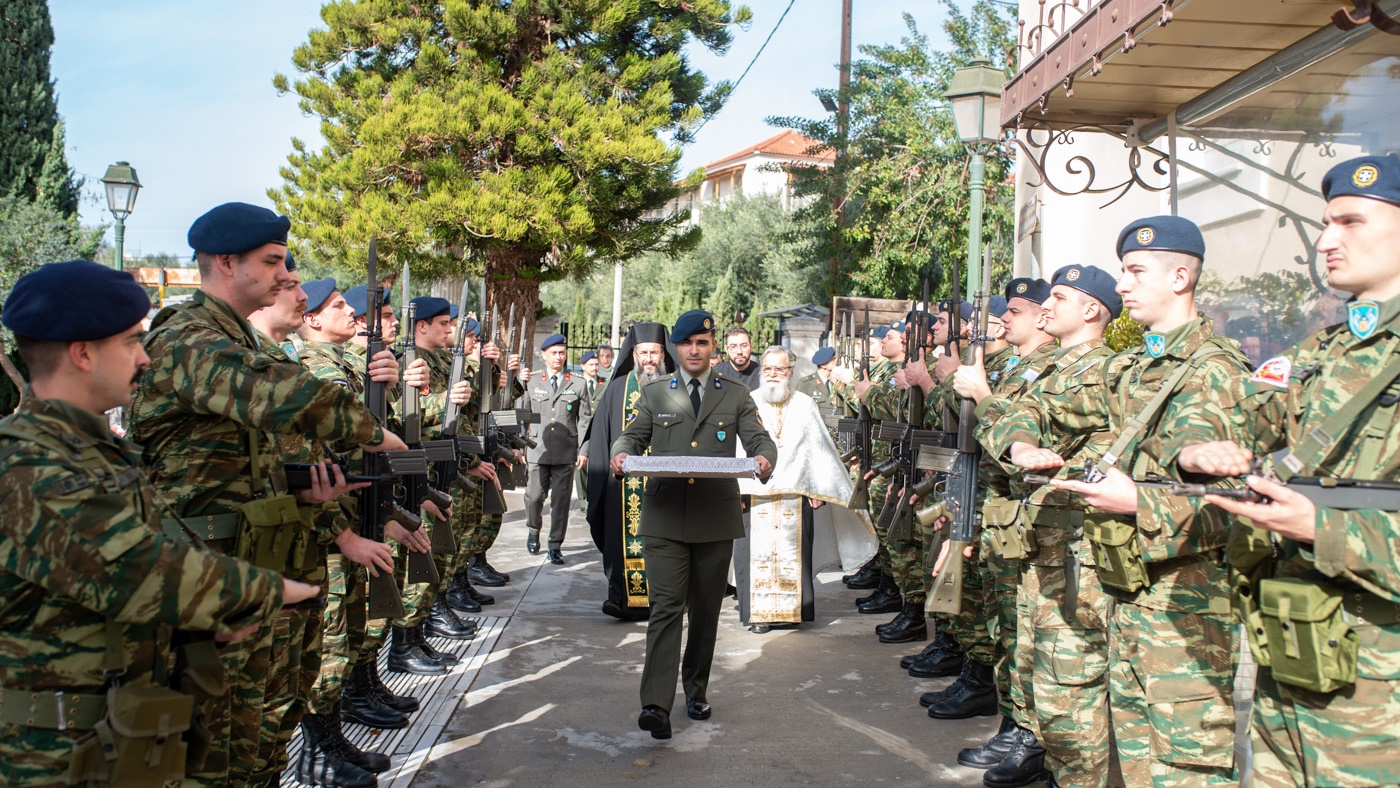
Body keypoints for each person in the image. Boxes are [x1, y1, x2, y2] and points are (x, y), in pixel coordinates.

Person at [0, 260, 317, 787]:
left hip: (117, 735)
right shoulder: (31, 465)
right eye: (131, 342)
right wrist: (265, 591)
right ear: (83, 354)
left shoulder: (94, 453)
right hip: (50, 755)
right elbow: (137, 570)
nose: (145, 358)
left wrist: (202, 624)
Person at [128, 202, 407, 787]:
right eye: (273, 262)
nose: (286, 276)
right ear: (227, 263)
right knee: (217, 747)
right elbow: (283, 396)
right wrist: (374, 432)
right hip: (206, 573)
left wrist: (307, 490)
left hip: (260, 555)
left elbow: (260, 455)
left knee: (265, 730)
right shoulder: (188, 337)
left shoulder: (241, 342)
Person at [1169, 154, 1400, 788]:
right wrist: (1195, 451)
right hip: (1294, 659)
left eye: (1350, 222)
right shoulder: (1321, 352)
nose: (1326, 242)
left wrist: (1323, 529)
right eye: (1326, 224)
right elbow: (1227, 416)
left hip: (1380, 697)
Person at [1026, 217, 1250, 788]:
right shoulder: (1132, 369)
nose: (1122, 284)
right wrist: (1021, 443)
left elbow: (1239, 503)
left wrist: (1139, 502)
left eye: (1135, 271)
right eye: (1122, 271)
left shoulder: (1217, 372)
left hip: (1186, 612)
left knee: (1185, 768)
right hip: (1126, 593)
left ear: (1180, 277)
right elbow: (1041, 405)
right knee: (1137, 762)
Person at [984, 265, 1122, 787]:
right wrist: (1019, 442)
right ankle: (1046, 756)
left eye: (1058, 298)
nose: (1047, 306)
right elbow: (1022, 418)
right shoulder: (1055, 371)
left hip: (1076, 545)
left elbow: (1040, 425)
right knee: (1040, 665)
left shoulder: (1107, 371)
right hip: (1040, 536)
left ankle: (1067, 770)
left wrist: (999, 416)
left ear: (1091, 309)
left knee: (1070, 677)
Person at [610, 309, 777, 739]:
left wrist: (764, 458)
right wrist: (621, 453)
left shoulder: (735, 394)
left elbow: (759, 438)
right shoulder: (655, 393)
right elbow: (632, 435)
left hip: (715, 520)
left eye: (702, 343)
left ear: (712, 346)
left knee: (705, 613)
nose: (694, 350)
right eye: (686, 343)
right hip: (664, 518)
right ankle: (656, 704)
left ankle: (696, 690)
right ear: (676, 349)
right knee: (666, 607)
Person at [733, 346, 877, 633]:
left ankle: (791, 611)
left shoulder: (804, 404)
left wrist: (817, 488)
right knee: (755, 556)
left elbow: (818, 449)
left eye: (779, 369)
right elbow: (736, 448)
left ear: (790, 372)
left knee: (793, 553)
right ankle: (759, 616)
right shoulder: (748, 402)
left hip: (795, 494)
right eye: (768, 368)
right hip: (755, 493)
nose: (773, 374)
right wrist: (736, 489)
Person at [583, 323, 677, 620]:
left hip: (666, 482)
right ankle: (621, 598)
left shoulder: (677, 386)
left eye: (654, 352)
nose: (649, 358)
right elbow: (601, 435)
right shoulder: (617, 389)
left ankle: (665, 599)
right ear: (633, 354)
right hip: (623, 484)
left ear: (664, 354)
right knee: (621, 540)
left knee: (667, 542)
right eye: (643, 352)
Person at [523, 333, 593, 565]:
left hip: (566, 451)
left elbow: (585, 420)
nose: (558, 357)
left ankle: (555, 545)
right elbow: (523, 415)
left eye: (562, 353)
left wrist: (583, 450)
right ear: (544, 354)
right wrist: (520, 446)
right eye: (553, 353)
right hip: (537, 449)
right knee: (534, 497)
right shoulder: (532, 381)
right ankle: (533, 531)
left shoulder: (578, 383)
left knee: (561, 502)